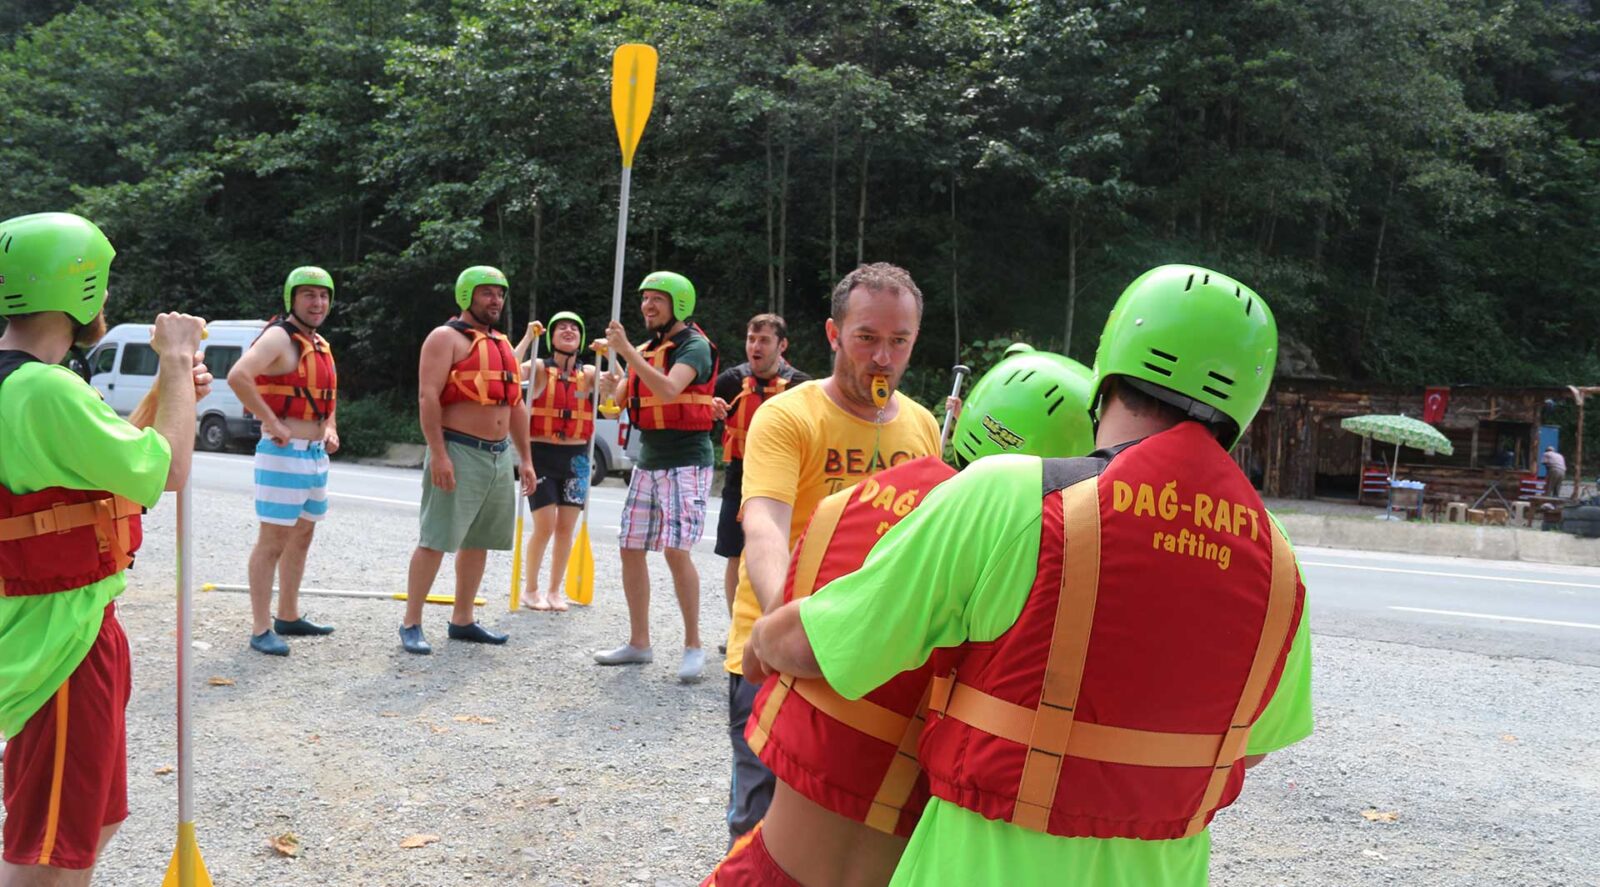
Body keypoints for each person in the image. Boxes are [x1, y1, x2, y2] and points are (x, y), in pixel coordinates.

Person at [743, 264, 1314, 886]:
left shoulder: (1019, 494)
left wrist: (762, 639)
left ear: (1111, 360)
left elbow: (830, 643)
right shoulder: (1280, 562)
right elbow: (1252, 747)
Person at [702, 347, 1096, 887]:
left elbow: (766, 655)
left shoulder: (851, 502)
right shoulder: (1050, 570)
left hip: (772, 860)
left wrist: (767, 636)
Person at [0, 212, 209, 883]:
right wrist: (176, 359)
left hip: (78, 627)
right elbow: (166, 473)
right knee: (47, 848)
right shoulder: (43, 388)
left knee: (94, 821)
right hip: (58, 641)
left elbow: (107, 466)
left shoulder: (27, 384)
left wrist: (167, 394)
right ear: (79, 288)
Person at [721, 263, 942, 843]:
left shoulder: (922, 426)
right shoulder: (788, 415)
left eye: (900, 341)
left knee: (858, 830)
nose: (883, 358)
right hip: (781, 646)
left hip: (874, 655)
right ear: (833, 333)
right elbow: (765, 522)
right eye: (867, 337)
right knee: (762, 821)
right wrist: (780, 620)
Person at [400, 266, 536, 654]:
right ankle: (411, 621)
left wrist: (524, 459)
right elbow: (428, 397)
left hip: (496, 457)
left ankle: (463, 619)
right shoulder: (445, 338)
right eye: (487, 293)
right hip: (458, 450)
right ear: (467, 296)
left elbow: (516, 404)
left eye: (500, 293)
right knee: (436, 538)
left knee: (479, 541)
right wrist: (439, 453)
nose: (495, 300)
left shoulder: (503, 345)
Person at [592, 271, 719, 682]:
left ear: (678, 304)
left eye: (657, 300)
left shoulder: (694, 346)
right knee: (630, 546)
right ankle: (639, 642)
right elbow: (617, 402)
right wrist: (615, 381)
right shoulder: (647, 348)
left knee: (675, 551)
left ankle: (693, 645)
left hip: (686, 459)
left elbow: (667, 390)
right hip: (648, 460)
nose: (648, 306)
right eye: (645, 299)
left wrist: (626, 351)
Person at [225, 266, 339, 656]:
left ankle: (288, 614)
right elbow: (239, 375)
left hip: (314, 455)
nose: (317, 302)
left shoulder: (320, 343)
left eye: (323, 296)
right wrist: (270, 420)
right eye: (308, 295)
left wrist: (331, 428)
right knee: (272, 541)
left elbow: (326, 396)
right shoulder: (279, 337)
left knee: (303, 536)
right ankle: (261, 627)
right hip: (282, 455)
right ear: (292, 298)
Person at [711, 314, 810, 614]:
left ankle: (780, 623)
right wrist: (710, 409)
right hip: (739, 475)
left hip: (787, 478)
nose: (756, 346)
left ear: (782, 345)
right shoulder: (729, 382)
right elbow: (700, 416)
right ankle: (734, 629)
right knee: (734, 554)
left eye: (764, 340)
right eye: (751, 339)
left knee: (787, 552)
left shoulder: (801, 385)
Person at [513, 312, 597, 611]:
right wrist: (527, 338)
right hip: (542, 455)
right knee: (545, 526)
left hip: (577, 459)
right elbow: (508, 367)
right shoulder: (538, 367)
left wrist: (609, 355)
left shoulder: (589, 373)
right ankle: (531, 588)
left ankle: (554, 590)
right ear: (551, 336)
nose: (568, 330)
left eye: (575, 327)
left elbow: (615, 387)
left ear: (581, 338)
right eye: (561, 327)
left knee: (566, 529)